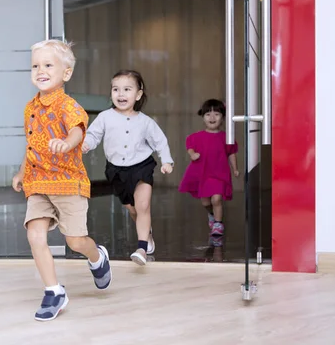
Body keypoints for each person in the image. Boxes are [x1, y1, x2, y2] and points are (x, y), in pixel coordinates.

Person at [12, 39, 112, 322]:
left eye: (47, 65)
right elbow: (31, 145)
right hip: (38, 183)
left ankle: (97, 257)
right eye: (35, 66)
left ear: (65, 73)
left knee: (76, 241)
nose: (40, 71)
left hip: (68, 183)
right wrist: (22, 172)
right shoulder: (30, 108)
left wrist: (68, 143)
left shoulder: (69, 106)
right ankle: (54, 291)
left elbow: (78, 131)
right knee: (35, 235)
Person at [81, 70, 174, 266]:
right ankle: (146, 232)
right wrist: (86, 143)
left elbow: (160, 141)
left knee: (143, 206)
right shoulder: (105, 117)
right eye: (116, 89)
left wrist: (166, 161)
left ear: (138, 95)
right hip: (117, 170)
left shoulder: (145, 121)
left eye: (126, 89)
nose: (121, 94)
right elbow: (93, 134)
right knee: (132, 209)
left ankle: (141, 247)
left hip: (141, 166)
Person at [178, 99, 239, 236]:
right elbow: (190, 148)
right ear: (203, 117)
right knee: (205, 201)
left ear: (222, 117)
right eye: (208, 114)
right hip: (202, 173)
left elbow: (231, 153)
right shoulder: (196, 137)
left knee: (216, 199)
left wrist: (235, 168)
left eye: (216, 114)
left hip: (219, 173)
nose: (212, 117)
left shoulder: (226, 137)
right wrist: (193, 154)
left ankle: (218, 224)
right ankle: (211, 214)